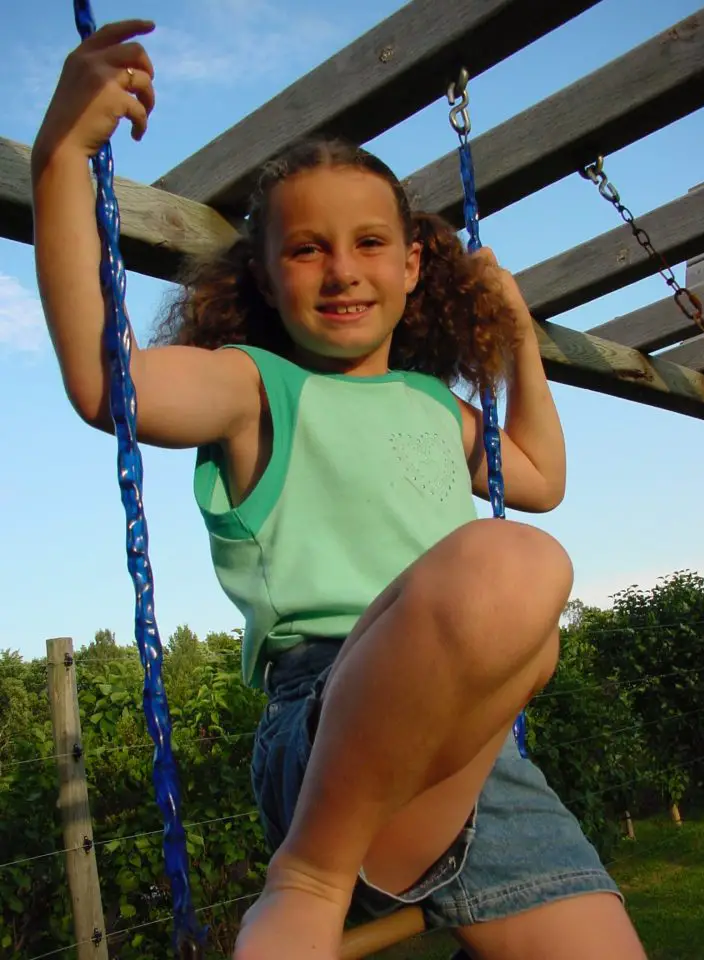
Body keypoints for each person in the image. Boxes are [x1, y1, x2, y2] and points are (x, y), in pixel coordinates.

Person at [31, 18, 647, 960]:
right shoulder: (254, 386)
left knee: (529, 605)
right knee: (512, 566)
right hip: (329, 723)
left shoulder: (439, 409)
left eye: (368, 242)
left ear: (410, 267)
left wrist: (516, 335)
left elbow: (542, 478)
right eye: (307, 249)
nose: (343, 269)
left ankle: (382, 860)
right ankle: (311, 877)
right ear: (267, 279)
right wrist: (64, 155)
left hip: (480, 757)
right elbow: (105, 384)